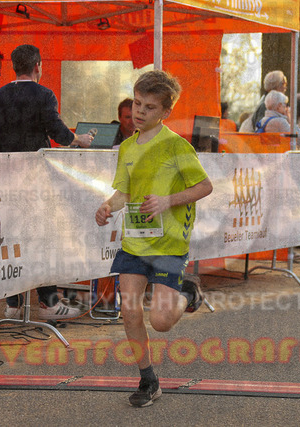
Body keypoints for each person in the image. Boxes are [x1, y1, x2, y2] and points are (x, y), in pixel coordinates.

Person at [95, 70, 213, 407]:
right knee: (129, 311)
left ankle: (187, 293)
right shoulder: (127, 147)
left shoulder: (177, 146)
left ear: (165, 112)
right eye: (137, 103)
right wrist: (108, 206)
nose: (139, 111)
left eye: (149, 107)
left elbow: (205, 186)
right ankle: (148, 380)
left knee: (160, 322)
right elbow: (124, 192)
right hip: (135, 242)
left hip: (169, 245)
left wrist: (167, 201)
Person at [0, 44, 93, 320]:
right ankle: (48, 304)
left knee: (12, 240)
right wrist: (78, 139)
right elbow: (57, 131)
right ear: (38, 65)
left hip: (4, 180)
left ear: (14, 66)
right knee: (42, 240)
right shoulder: (44, 94)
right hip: (35, 179)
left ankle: (13, 305)